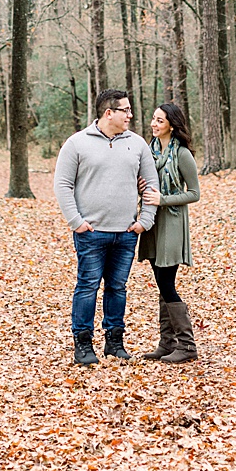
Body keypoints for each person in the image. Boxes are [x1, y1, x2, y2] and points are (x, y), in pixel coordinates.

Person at [53, 88, 159, 366]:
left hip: (125, 233)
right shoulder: (76, 143)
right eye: (125, 110)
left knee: (117, 287)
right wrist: (76, 222)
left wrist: (145, 220)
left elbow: (151, 184)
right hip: (91, 232)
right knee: (87, 286)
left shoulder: (137, 144)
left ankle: (114, 341)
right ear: (108, 113)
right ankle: (83, 344)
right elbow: (63, 185)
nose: (131, 115)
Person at [137, 102, 201, 363]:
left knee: (166, 283)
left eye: (160, 120)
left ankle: (187, 345)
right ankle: (167, 344)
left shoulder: (183, 154)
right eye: (153, 119)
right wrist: (141, 186)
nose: (154, 124)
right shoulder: (149, 151)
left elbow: (194, 193)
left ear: (172, 125)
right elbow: (146, 185)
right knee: (161, 285)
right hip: (152, 222)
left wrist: (162, 199)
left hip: (172, 223)